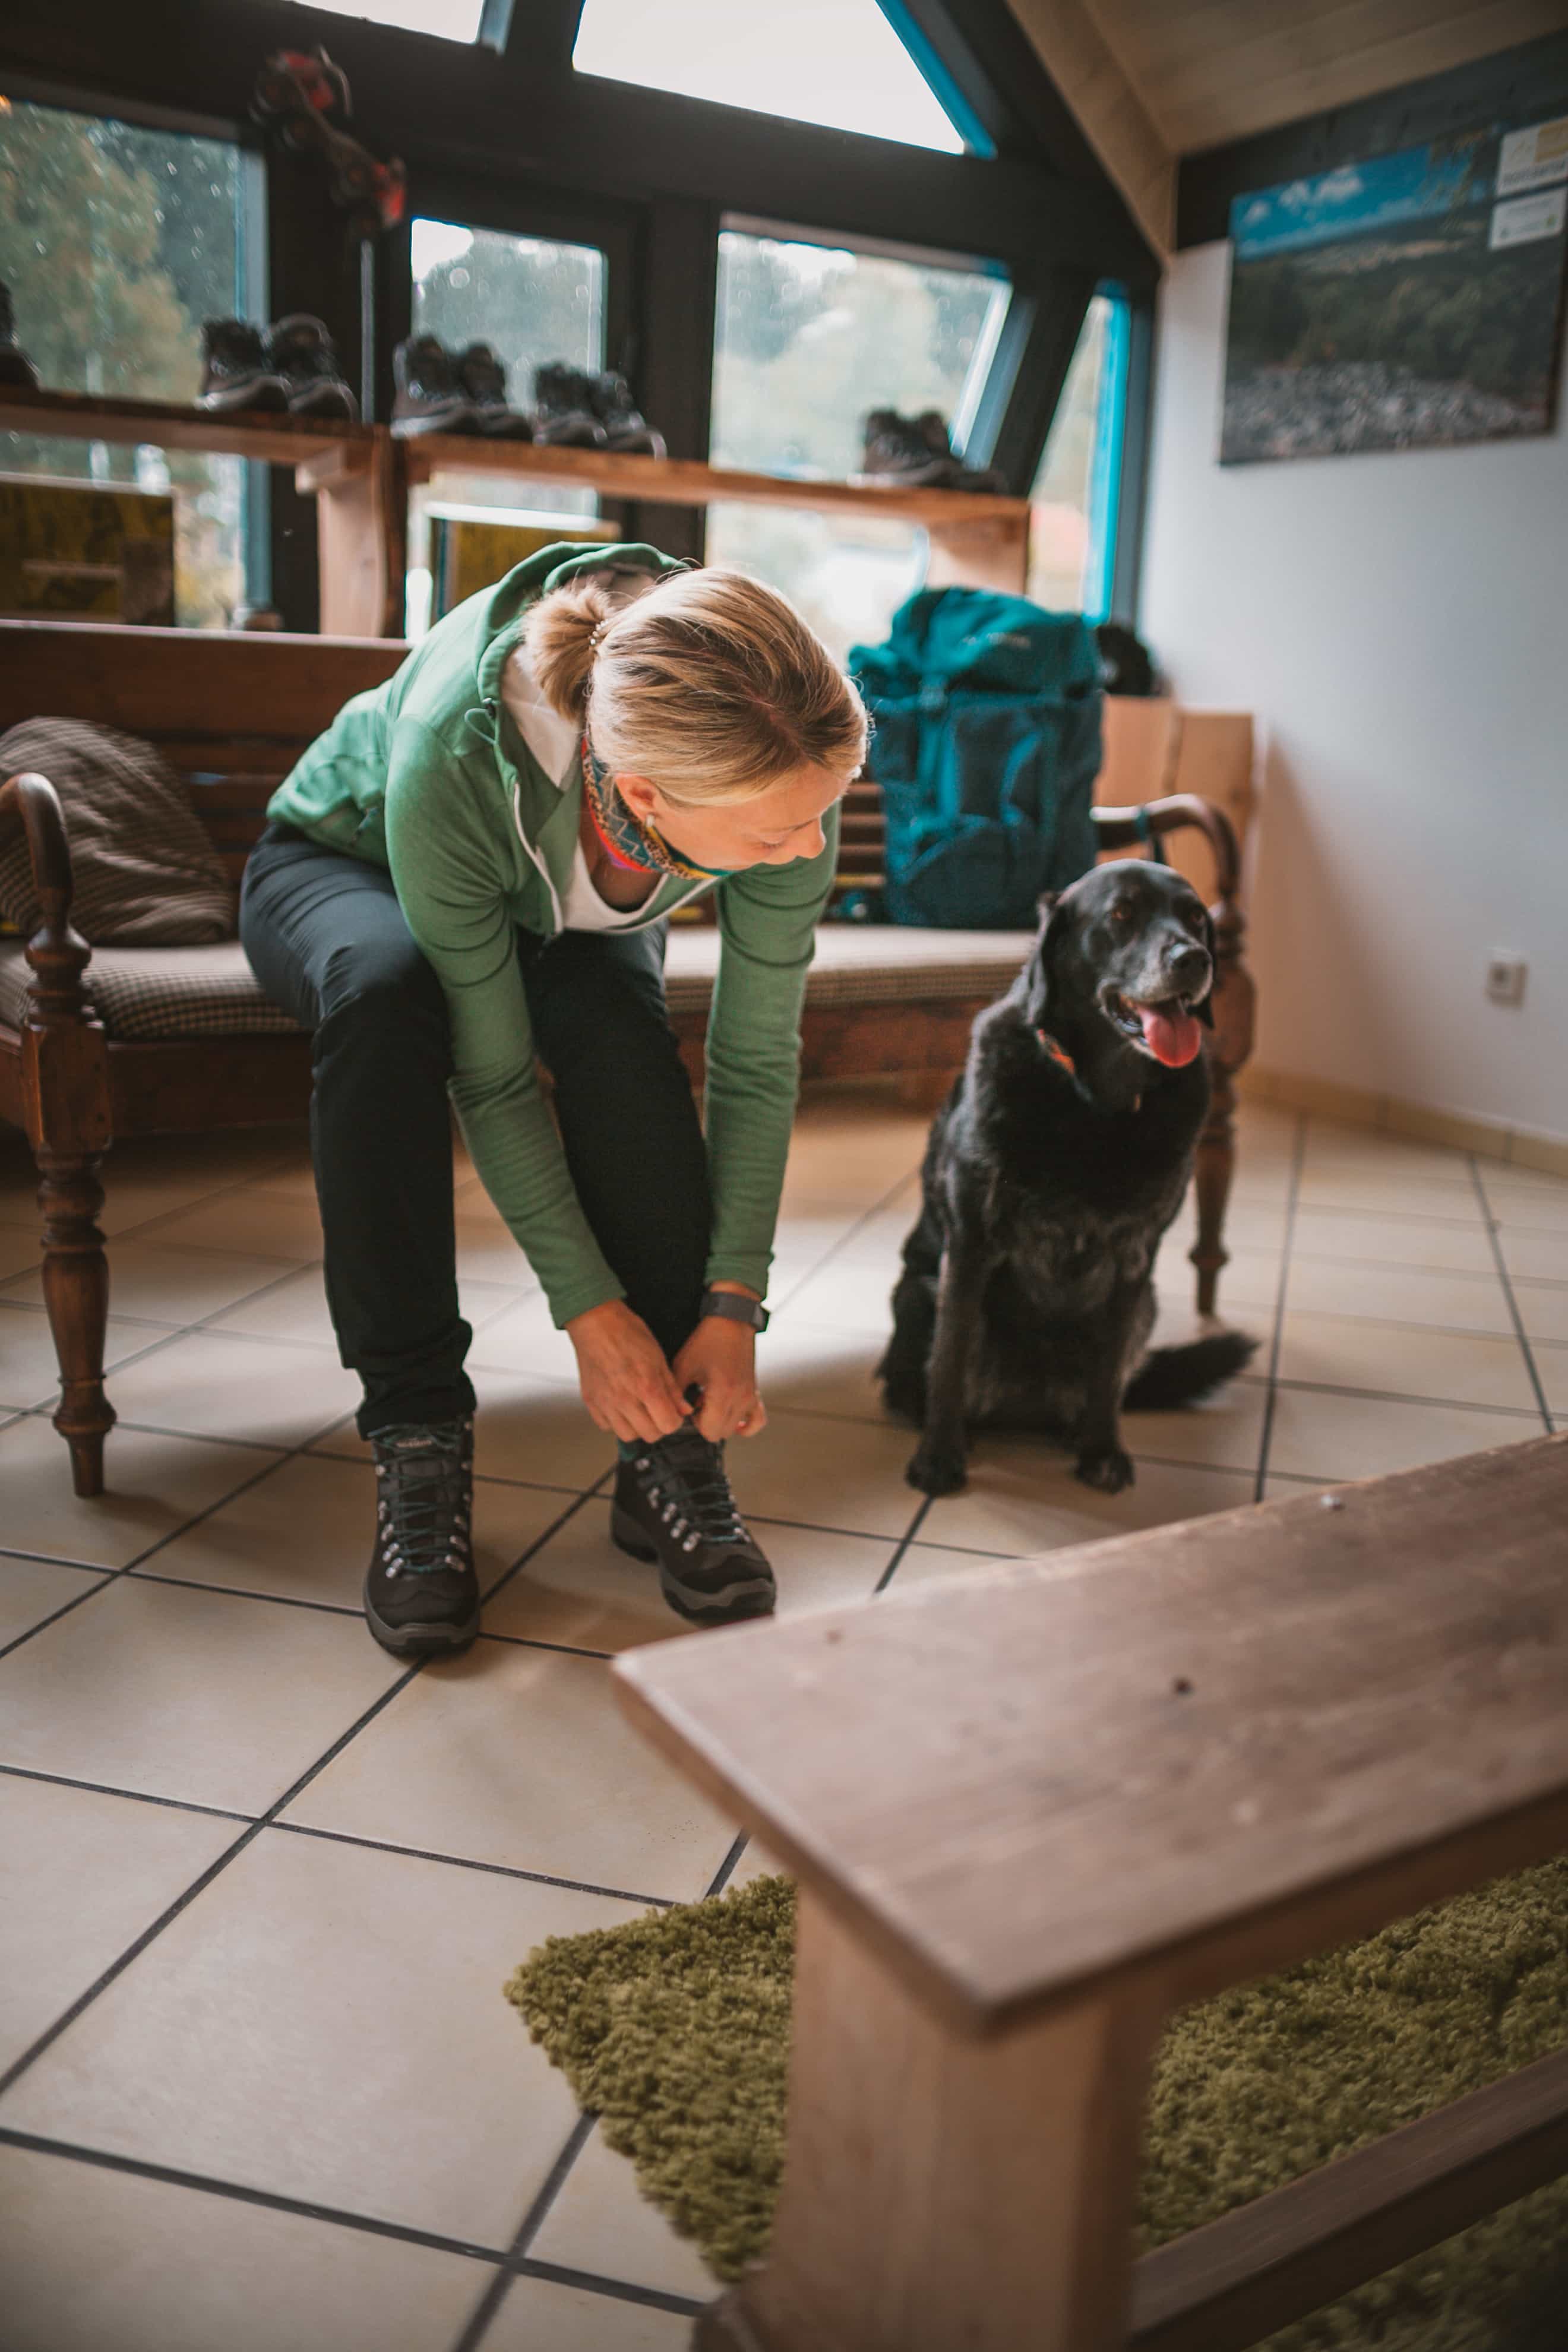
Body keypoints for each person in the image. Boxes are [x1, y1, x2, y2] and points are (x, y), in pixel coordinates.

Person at [241, 544, 867, 1657]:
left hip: (554, 902)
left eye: (819, 816)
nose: (806, 850)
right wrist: (589, 1309)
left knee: (622, 1039)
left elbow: (759, 1058)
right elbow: (489, 1075)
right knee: (387, 1004)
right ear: (640, 792)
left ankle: (668, 1447)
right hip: (349, 863)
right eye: (777, 832)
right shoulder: (460, 749)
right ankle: (419, 1435)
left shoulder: (771, 752)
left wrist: (733, 1304)